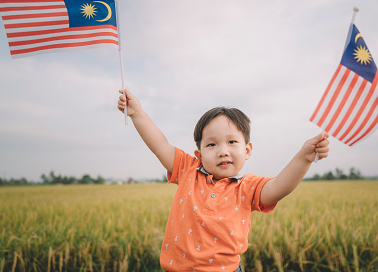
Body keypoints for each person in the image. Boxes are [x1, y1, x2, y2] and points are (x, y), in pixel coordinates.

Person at [118, 89, 329, 272]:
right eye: (211, 145)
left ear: (247, 150)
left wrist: (304, 157)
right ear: (198, 154)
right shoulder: (188, 170)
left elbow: (278, 187)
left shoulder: (248, 187)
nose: (223, 151)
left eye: (231, 142)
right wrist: (137, 113)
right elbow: (161, 145)